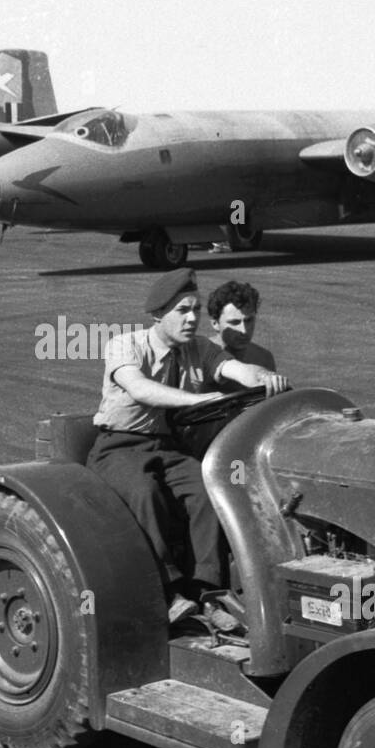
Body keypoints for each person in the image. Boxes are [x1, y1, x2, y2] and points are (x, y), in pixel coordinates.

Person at [87, 268, 288, 626]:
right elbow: (140, 389)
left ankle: (208, 595)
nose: (192, 318)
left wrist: (263, 378)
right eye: (182, 310)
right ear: (158, 315)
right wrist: (194, 401)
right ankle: (169, 593)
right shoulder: (125, 345)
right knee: (145, 492)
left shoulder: (201, 349)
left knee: (207, 489)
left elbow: (235, 369)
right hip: (118, 447)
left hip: (167, 447)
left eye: (196, 309)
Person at [207, 280, 276, 389]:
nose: (244, 331)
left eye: (249, 320)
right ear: (215, 324)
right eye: (234, 322)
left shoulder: (264, 359)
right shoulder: (199, 357)